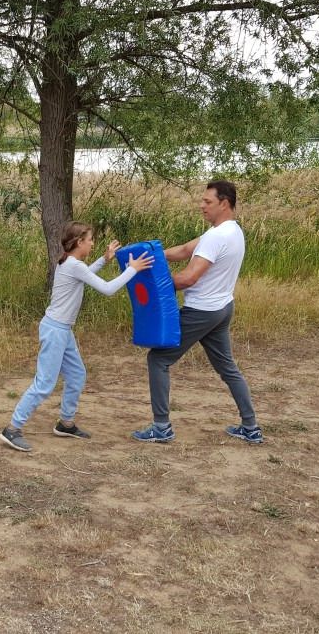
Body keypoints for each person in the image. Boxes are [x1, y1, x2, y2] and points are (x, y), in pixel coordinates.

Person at [0, 221, 154, 453]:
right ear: (79, 242)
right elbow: (108, 289)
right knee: (44, 384)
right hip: (55, 331)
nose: (93, 243)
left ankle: (66, 423)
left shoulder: (71, 264)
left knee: (76, 375)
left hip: (62, 330)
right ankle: (12, 429)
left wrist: (104, 259)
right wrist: (133, 269)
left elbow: (86, 275)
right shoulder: (73, 265)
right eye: (90, 240)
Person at [132, 180, 264, 445]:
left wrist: (149, 281)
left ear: (224, 203)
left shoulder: (216, 237)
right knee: (227, 367)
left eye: (207, 201)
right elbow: (184, 251)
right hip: (222, 308)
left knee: (158, 360)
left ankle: (161, 427)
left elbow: (188, 278)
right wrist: (148, 256)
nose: (201, 205)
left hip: (202, 311)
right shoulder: (231, 231)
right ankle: (250, 427)